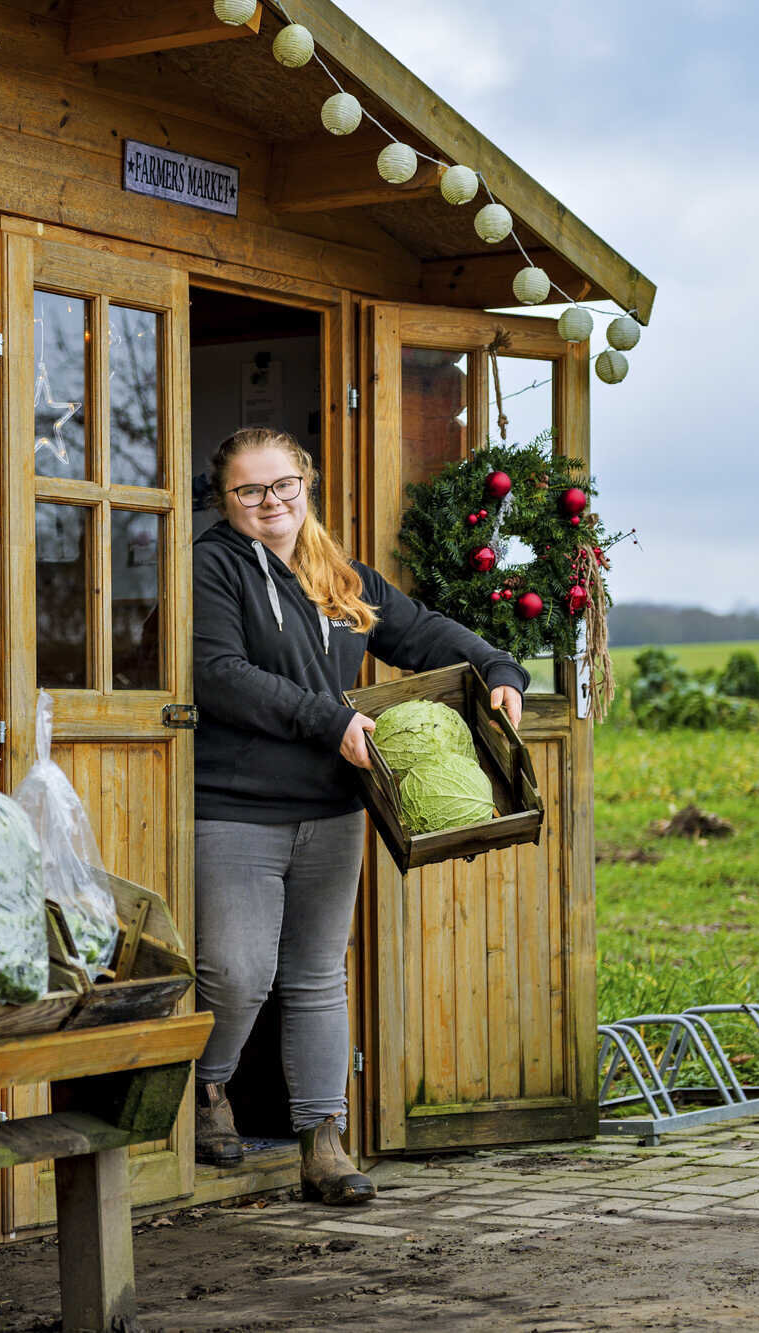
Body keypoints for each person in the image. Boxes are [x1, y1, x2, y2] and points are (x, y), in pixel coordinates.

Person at [191, 427, 528, 1206]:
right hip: (238, 807)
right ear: (227, 499)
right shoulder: (212, 567)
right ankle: (209, 1088)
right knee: (238, 972)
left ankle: (323, 1140)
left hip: (334, 808)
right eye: (250, 490)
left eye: (283, 486)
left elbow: (423, 632)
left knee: (314, 976)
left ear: (306, 483)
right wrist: (328, 720)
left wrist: (499, 668)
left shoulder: (338, 573)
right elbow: (219, 675)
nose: (269, 502)